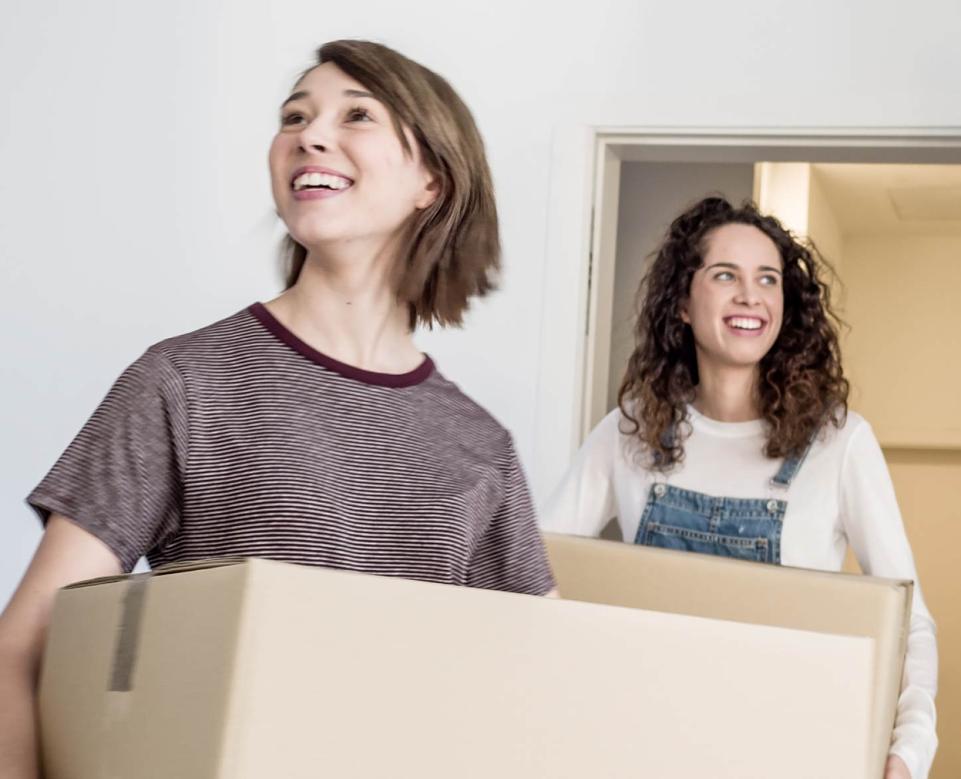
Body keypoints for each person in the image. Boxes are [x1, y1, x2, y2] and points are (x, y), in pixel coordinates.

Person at [0, 40, 554, 776]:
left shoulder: (479, 444)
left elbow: (542, 678)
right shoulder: (185, 381)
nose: (310, 134)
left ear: (432, 180)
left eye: (357, 115)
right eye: (295, 115)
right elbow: (25, 647)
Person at [545, 196, 939, 779]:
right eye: (725, 275)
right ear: (681, 301)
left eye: (768, 279)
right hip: (647, 748)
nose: (750, 295)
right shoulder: (630, 433)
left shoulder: (840, 444)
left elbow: (913, 624)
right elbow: (533, 574)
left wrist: (907, 753)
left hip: (791, 751)